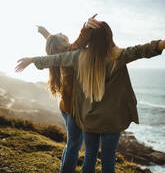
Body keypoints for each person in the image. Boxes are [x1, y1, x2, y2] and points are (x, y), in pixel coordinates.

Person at [15, 21, 164, 173]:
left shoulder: (76, 56)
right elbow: (143, 50)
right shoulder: (117, 56)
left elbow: (55, 56)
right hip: (97, 116)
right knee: (100, 156)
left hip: (86, 116)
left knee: (88, 153)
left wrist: (33, 58)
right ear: (109, 38)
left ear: (90, 40)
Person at [35, 15, 100, 173]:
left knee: (72, 142)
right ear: (63, 43)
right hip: (73, 108)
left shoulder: (58, 54)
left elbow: (54, 43)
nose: (62, 32)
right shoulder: (70, 51)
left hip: (64, 105)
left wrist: (45, 33)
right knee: (74, 144)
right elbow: (81, 39)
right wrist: (86, 26)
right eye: (60, 34)